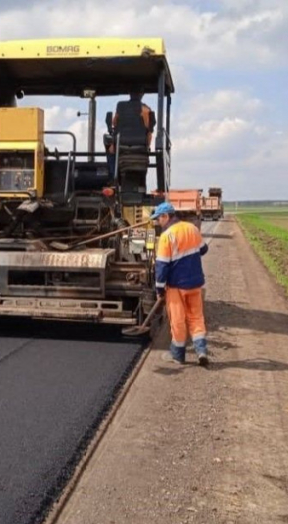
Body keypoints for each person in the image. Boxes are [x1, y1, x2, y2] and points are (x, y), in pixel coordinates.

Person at [152, 202, 210, 365]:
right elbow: (204, 249)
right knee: (196, 317)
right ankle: (201, 350)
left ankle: (178, 355)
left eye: (158, 219)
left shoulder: (167, 236)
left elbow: (162, 266)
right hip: (195, 283)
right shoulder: (192, 228)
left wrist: (159, 288)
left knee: (177, 320)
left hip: (176, 286)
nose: (158, 222)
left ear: (166, 216)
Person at [107, 91, 156, 178]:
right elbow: (150, 128)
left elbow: (114, 123)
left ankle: (112, 176)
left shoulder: (121, 106)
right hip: (141, 145)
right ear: (142, 95)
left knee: (110, 150)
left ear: (129, 94)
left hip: (121, 144)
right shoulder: (146, 109)